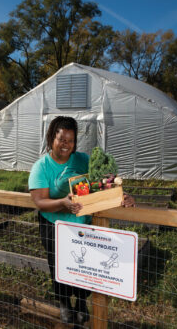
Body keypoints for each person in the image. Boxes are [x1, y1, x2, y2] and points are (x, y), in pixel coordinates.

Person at [28, 116, 135, 326]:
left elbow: (103, 182)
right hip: (54, 226)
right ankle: (65, 303)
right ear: (52, 138)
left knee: (85, 266)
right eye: (61, 139)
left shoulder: (83, 159)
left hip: (83, 225)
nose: (66, 144)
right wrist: (62, 203)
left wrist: (122, 195)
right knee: (59, 266)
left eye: (71, 140)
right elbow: (40, 201)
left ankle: (81, 303)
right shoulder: (41, 167)